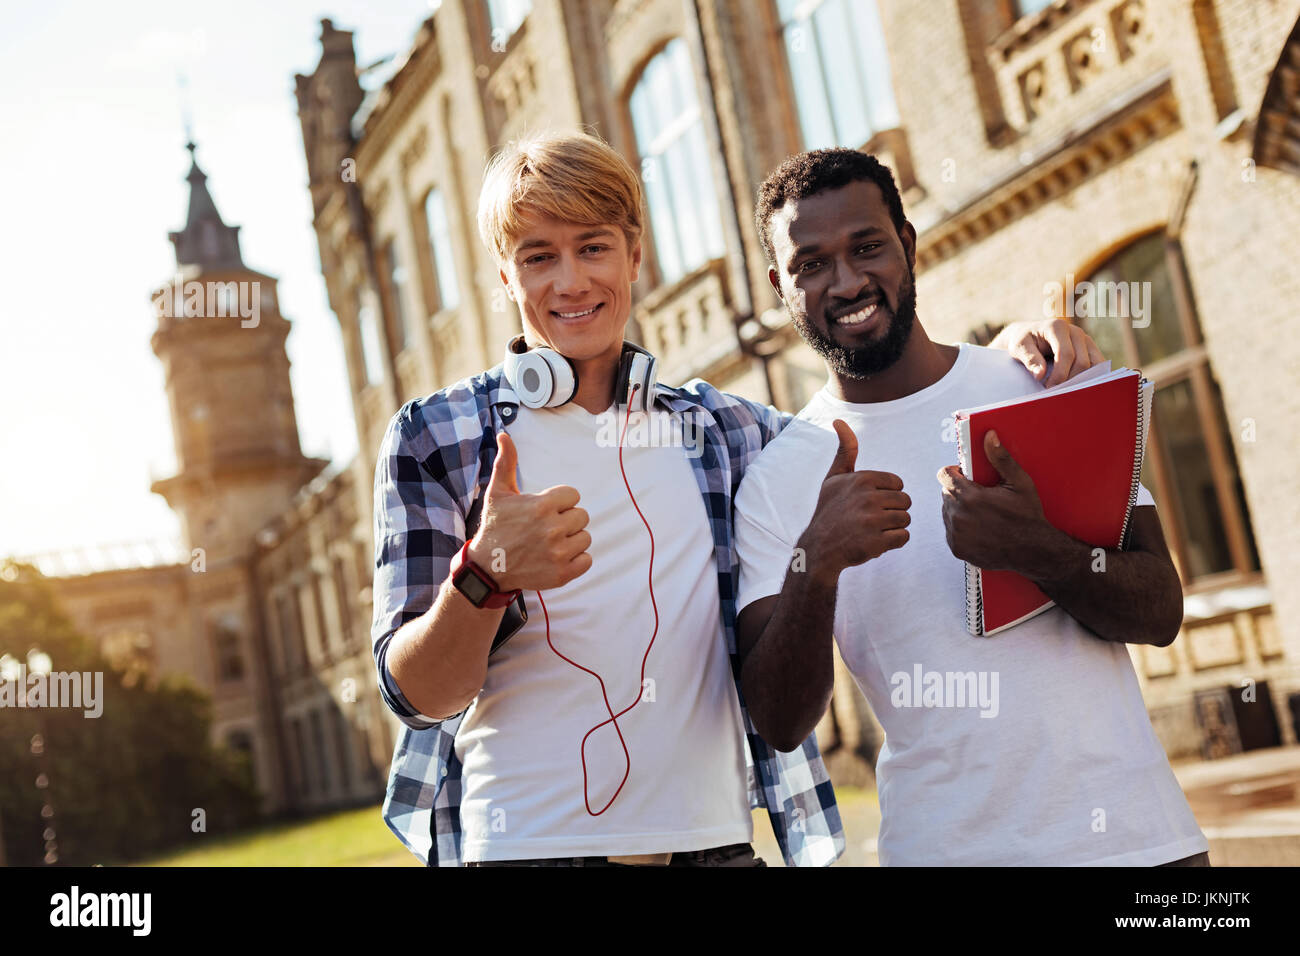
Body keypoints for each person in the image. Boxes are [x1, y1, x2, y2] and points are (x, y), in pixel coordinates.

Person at [371, 132, 1108, 867]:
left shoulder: (725, 433)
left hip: (717, 851)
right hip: (528, 851)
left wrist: (1002, 362)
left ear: (635, 257)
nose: (570, 281)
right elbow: (417, 694)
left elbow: (880, 411)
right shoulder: (439, 435)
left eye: (593, 248)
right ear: (505, 274)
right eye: (539, 256)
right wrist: (486, 573)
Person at [734, 147, 1210, 866]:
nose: (848, 281)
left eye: (867, 247)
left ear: (909, 246)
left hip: (1140, 845)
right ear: (780, 285)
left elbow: (1161, 610)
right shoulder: (778, 478)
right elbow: (778, 720)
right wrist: (817, 563)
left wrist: (1036, 549)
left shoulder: (1042, 385)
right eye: (811, 264)